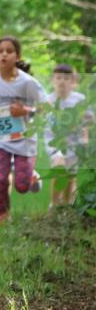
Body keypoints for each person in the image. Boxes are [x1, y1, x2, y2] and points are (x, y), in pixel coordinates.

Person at [0, 36, 45, 223]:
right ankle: (3, 222)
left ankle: (31, 175)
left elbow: (46, 108)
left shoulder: (28, 83)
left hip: (25, 139)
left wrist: (25, 110)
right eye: (0, 51)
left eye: (9, 51)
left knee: (22, 186)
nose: (4, 54)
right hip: (1, 139)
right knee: (0, 180)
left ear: (17, 56)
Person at [44, 63, 93, 206]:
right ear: (53, 80)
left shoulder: (79, 100)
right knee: (59, 167)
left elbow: (88, 121)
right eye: (58, 78)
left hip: (75, 142)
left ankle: (66, 204)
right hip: (54, 141)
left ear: (73, 82)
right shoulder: (48, 100)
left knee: (70, 175)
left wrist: (85, 138)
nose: (62, 81)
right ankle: (53, 204)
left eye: (66, 78)